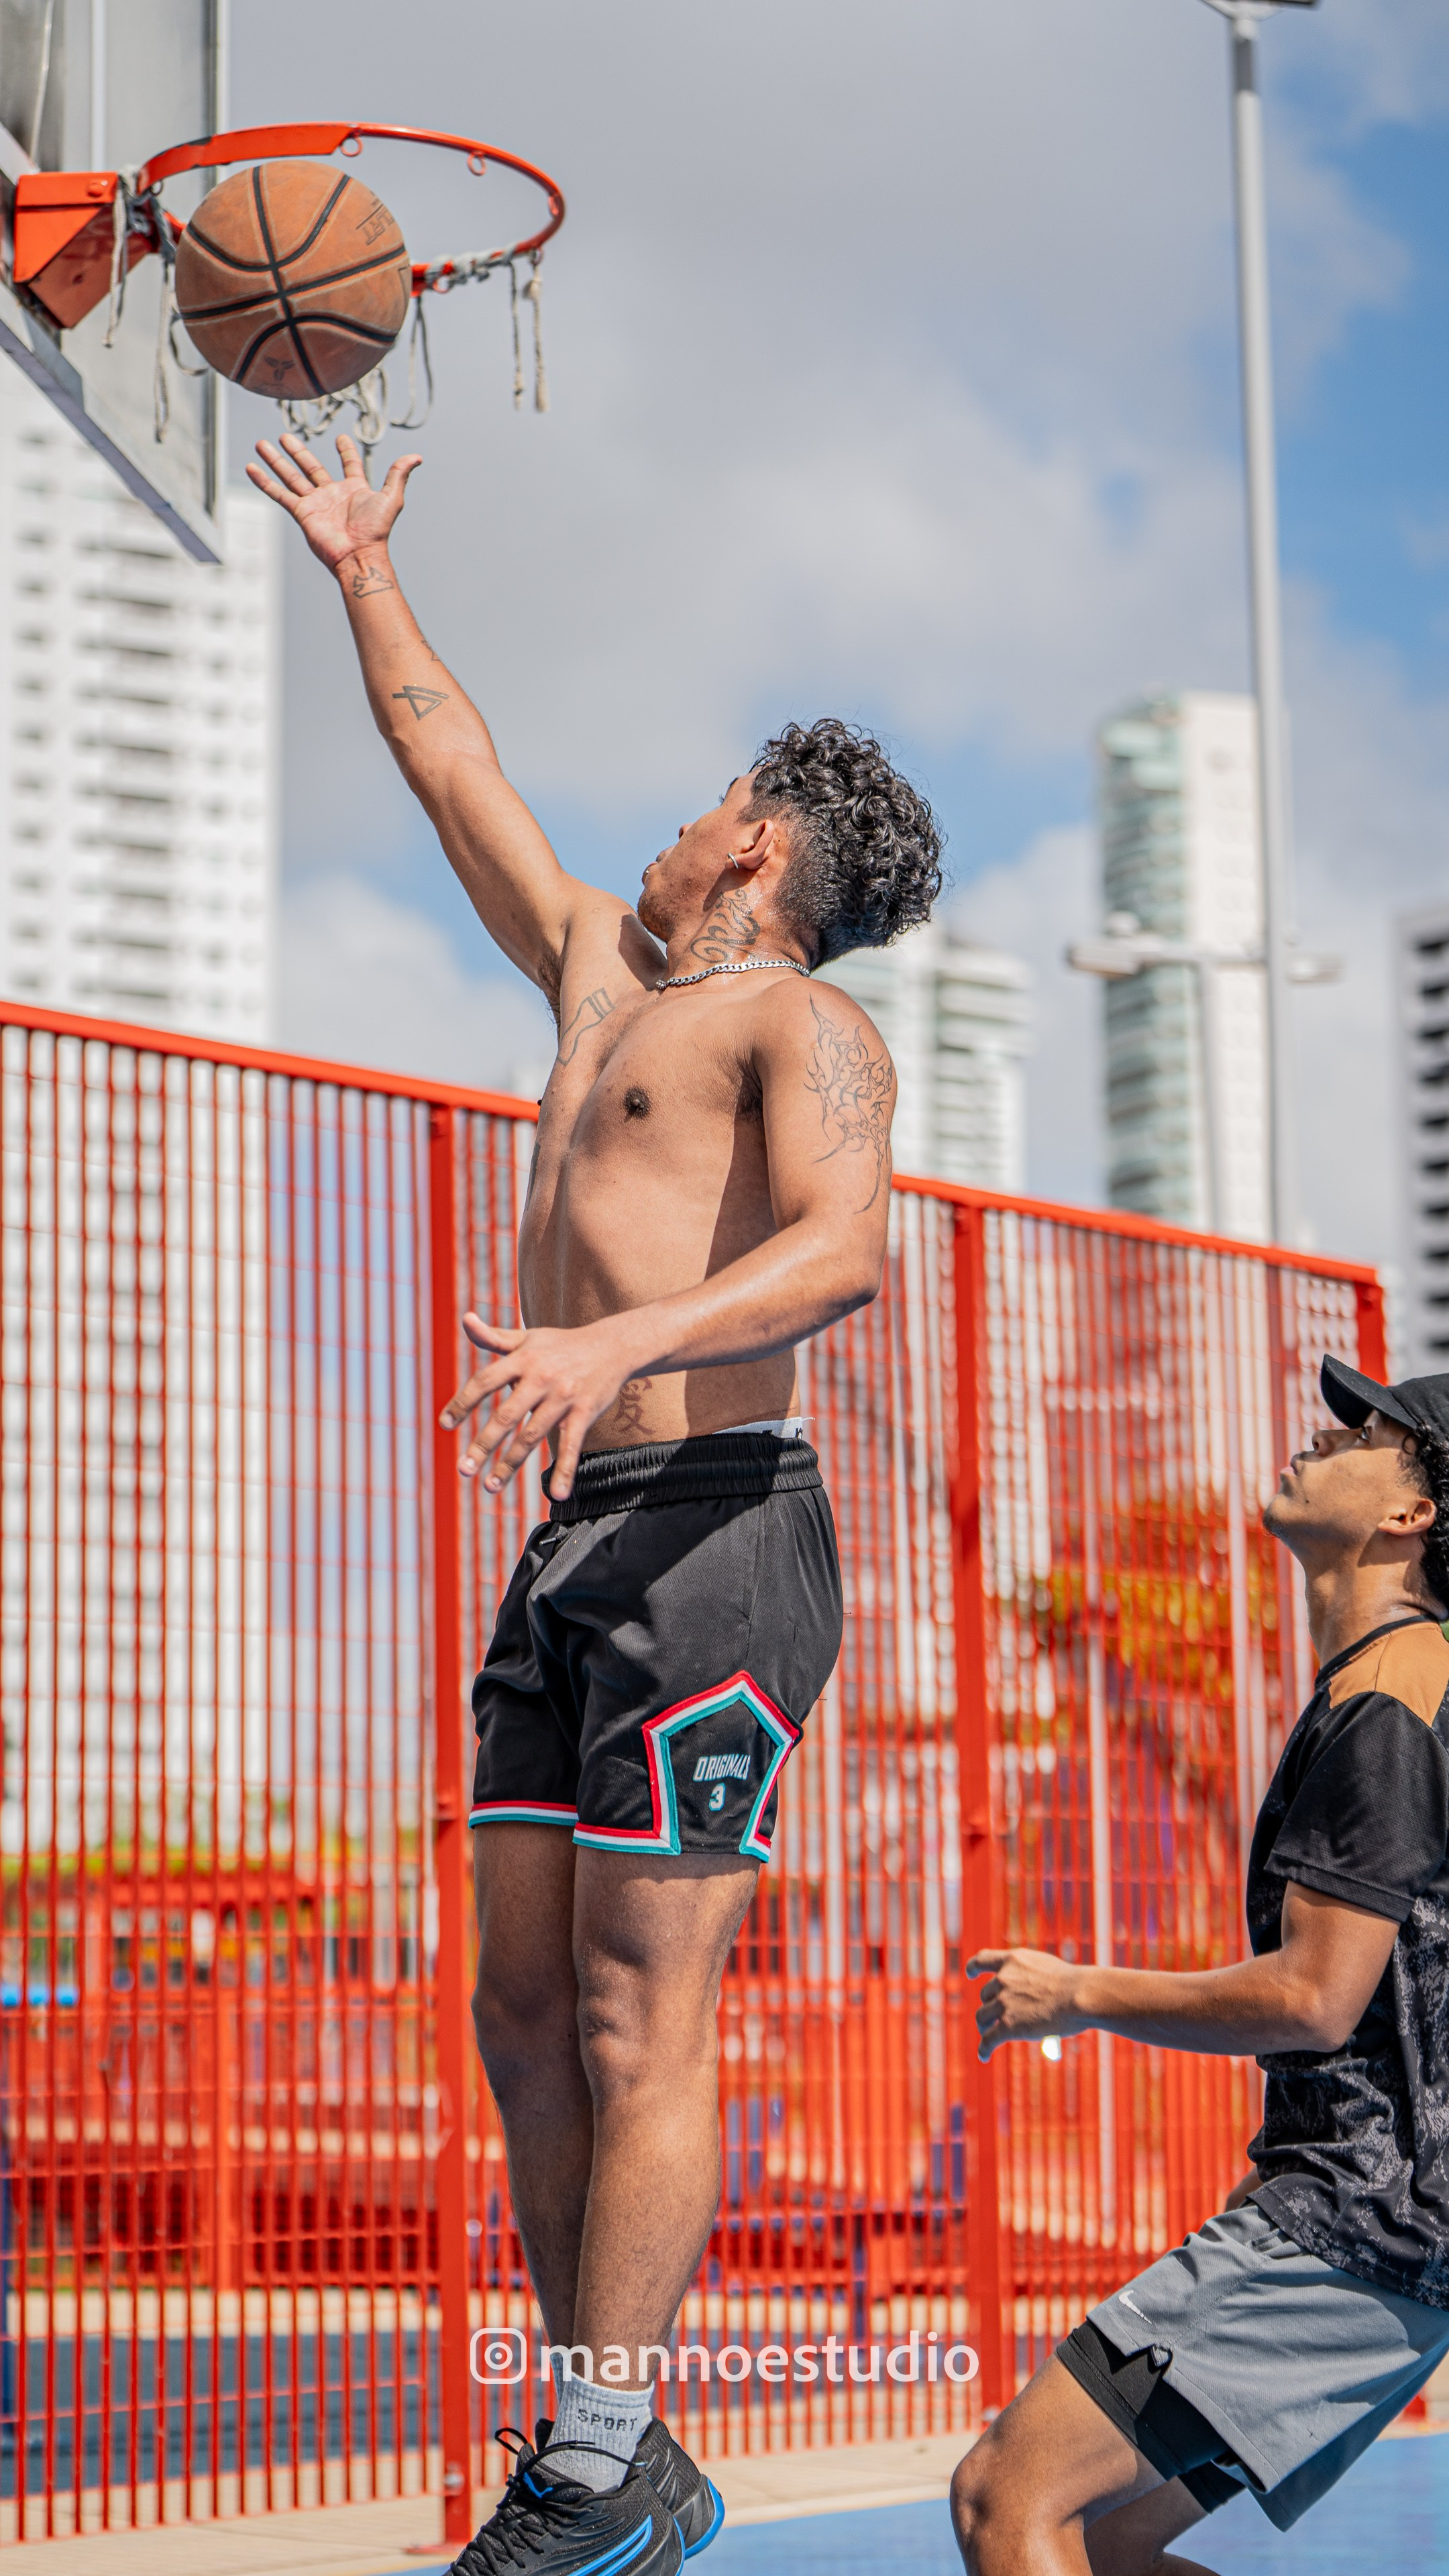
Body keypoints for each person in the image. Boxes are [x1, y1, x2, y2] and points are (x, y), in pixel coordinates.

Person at [248, 431, 943, 2576]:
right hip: (571, 1548)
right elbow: (450, 762)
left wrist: (613, 1348)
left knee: (646, 2011)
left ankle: (599, 2447)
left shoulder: (801, 1024)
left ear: (756, 839)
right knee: (520, 2012)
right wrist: (363, 569)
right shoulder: (594, 982)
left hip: (717, 1527)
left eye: (698, 799)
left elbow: (850, 1252)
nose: (658, 824)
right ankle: (604, 2441)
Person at [953, 1352, 1449, 2574]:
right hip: (1376, 2225)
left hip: (1360, 2231)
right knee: (1109, 2548)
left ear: (1411, 1512)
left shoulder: (1390, 1704)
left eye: (1361, 1436)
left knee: (1007, 2497)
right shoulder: (1394, 1688)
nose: (1321, 1440)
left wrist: (1076, 1992)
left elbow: (1312, 1998)